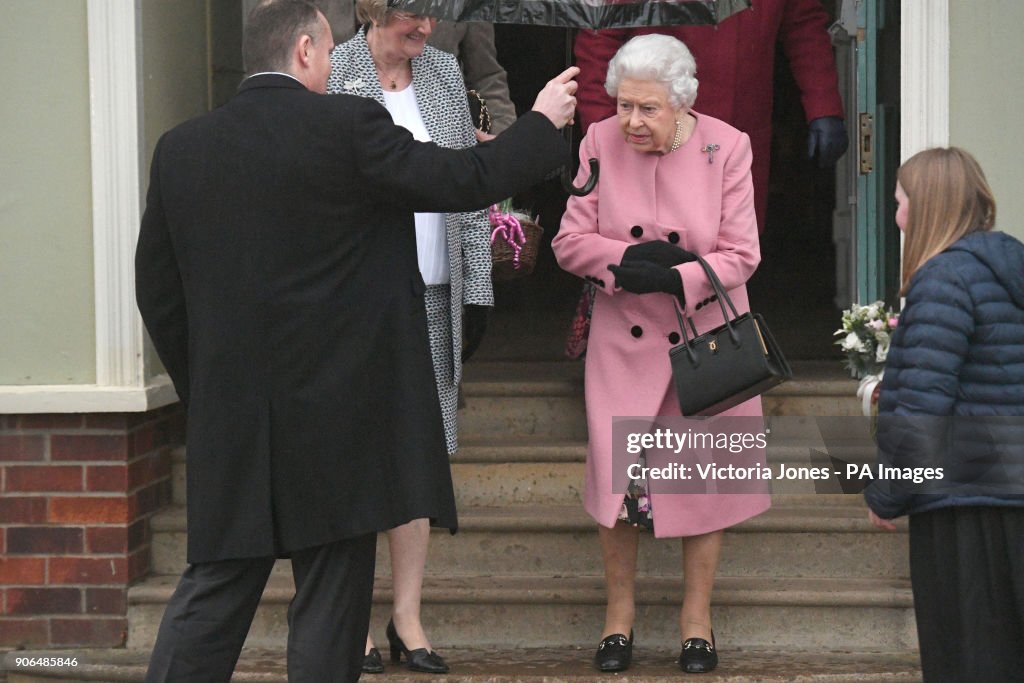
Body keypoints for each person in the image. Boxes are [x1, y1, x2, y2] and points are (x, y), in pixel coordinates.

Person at [134, 1, 578, 680]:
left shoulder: (180, 149)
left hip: (233, 415)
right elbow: (464, 180)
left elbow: (158, 294)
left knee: (213, 593)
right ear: (308, 51)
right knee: (330, 606)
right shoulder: (348, 126)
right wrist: (543, 123)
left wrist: (210, 389)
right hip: (339, 415)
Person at [551, 35, 770, 674]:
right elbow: (569, 241)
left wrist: (681, 277)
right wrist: (622, 264)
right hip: (626, 344)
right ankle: (617, 622)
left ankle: (695, 623)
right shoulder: (598, 142)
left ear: (681, 103)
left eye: (648, 109)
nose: (632, 122)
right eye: (623, 106)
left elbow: (743, 252)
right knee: (621, 488)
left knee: (702, 484)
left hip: (705, 342)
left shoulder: (726, 145)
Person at [325, 0, 491, 673]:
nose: (423, 28)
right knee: (354, 456)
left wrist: (476, 289)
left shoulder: (447, 76)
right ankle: (351, 622)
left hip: (432, 295)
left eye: (430, 13)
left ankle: (407, 616)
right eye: (408, 16)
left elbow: (472, 189)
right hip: (354, 304)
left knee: (421, 459)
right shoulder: (333, 74)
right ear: (371, 9)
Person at [864, 148, 1024, 683]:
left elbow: (923, 410)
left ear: (928, 206)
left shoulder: (944, 281)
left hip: (963, 505)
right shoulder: (1006, 271)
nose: (897, 216)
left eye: (901, 201)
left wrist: (888, 492)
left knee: (969, 657)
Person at [574, 0, 847, 233]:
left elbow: (803, 24)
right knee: (646, 248)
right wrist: (605, 134)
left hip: (740, 129)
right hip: (656, 130)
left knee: (734, 249)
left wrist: (823, 104)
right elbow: (599, 37)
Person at [310, 0, 517, 133]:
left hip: (439, 130)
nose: (427, 28)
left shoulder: (446, 68)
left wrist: (502, 144)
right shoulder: (335, 67)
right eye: (414, 15)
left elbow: (487, 76)